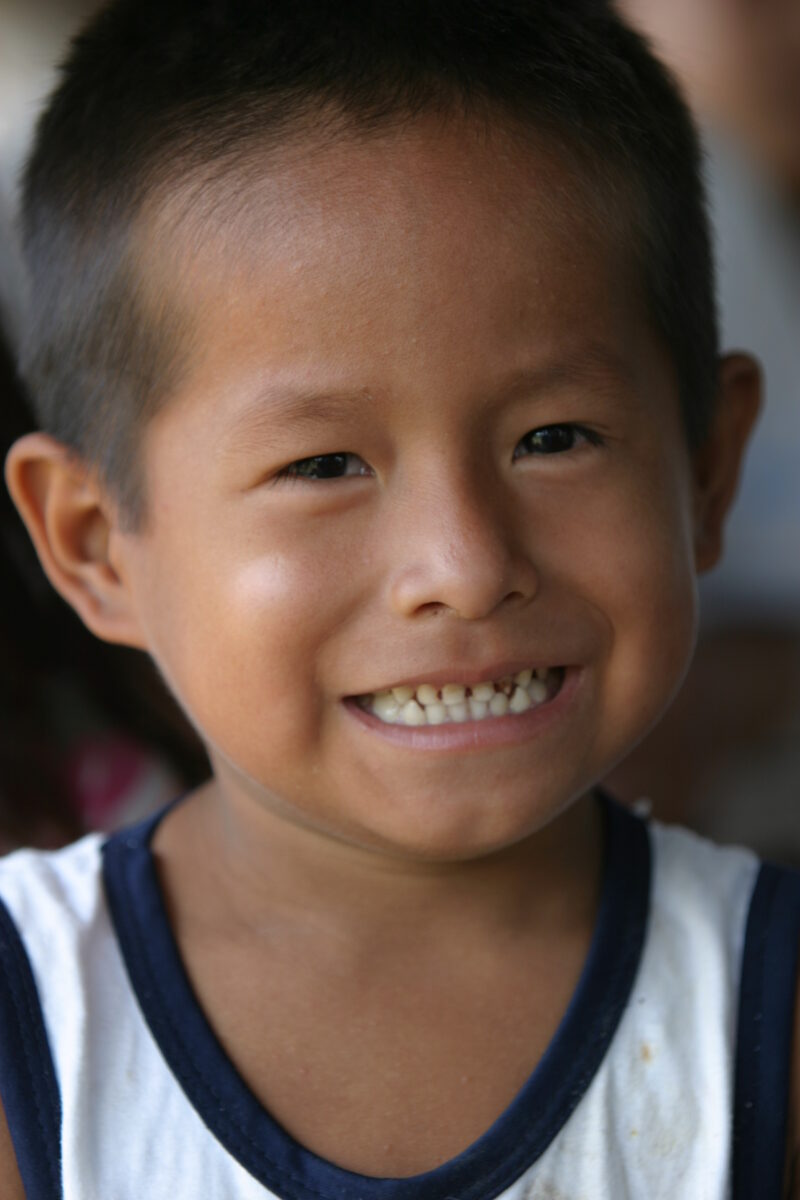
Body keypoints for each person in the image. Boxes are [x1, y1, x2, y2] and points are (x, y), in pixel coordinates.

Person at [0, 1, 784, 1196]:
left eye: (554, 437)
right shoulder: (34, 1029)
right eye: (323, 467)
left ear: (704, 470)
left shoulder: (765, 1021)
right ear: (98, 545)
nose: (465, 565)